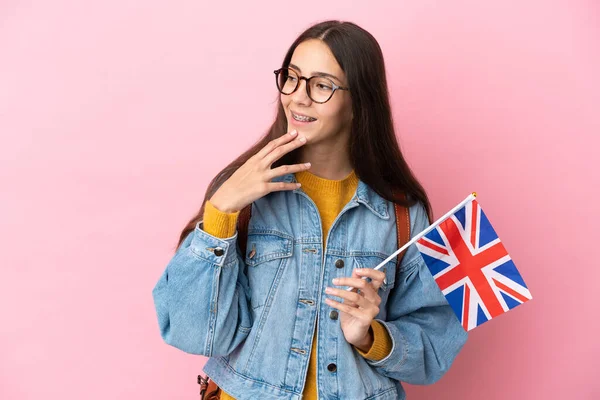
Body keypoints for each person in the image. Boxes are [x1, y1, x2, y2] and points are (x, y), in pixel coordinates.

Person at [152, 20, 467, 400]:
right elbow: (190, 331)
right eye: (292, 78)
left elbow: (435, 347)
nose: (298, 98)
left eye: (321, 85)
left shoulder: (403, 213)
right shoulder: (240, 195)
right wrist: (220, 211)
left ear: (359, 102)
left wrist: (370, 336)